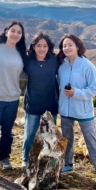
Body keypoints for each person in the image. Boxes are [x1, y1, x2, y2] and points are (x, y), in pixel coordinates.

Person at [57, 34, 96, 188]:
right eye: (64, 45)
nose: (66, 48)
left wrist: (76, 93)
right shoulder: (61, 65)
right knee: (67, 139)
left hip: (84, 111)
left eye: (70, 45)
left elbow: (94, 89)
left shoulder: (88, 66)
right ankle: (68, 164)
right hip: (65, 110)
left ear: (78, 47)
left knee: (91, 141)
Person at [0, 21, 27, 171]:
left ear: (21, 36)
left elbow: (25, 73)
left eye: (19, 32)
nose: (15, 34)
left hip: (13, 98)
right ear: (6, 31)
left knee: (7, 131)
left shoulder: (20, 53)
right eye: (13, 30)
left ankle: (4, 158)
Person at [22, 32, 59, 172]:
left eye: (45, 45)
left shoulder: (55, 60)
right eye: (39, 45)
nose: (42, 48)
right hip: (33, 103)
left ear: (49, 47)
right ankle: (26, 160)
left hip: (51, 103)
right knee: (30, 134)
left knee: (50, 135)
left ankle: (48, 162)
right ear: (33, 46)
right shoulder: (28, 61)